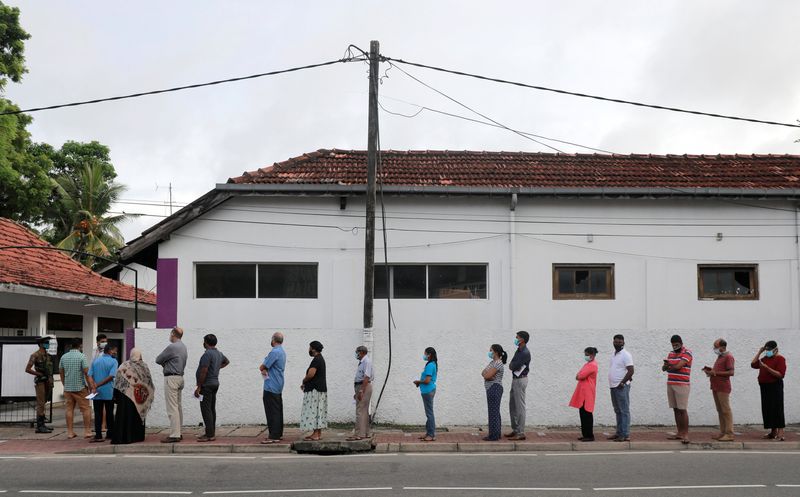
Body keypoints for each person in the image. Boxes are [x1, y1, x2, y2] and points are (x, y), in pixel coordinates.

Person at [111, 348, 155, 445]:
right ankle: (136, 437)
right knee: (136, 416)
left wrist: (116, 396)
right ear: (140, 355)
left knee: (124, 416)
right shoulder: (144, 367)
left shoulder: (124, 366)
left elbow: (117, 383)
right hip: (138, 397)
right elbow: (148, 383)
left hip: (124, 397)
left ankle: (122, 437)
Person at [155, 326, 188, 443]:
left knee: (172, 408)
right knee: (178, 407)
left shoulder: (172, 347)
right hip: (180, 377)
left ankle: (175, 434)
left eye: (171, 333)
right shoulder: (183, 346)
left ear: (173, 334)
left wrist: (165, 363)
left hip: (171, 378)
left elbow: (158, 359)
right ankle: (179, 431)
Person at [194, 333, 229, 442]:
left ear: (206, 343)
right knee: (211, 409)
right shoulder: (219, 353)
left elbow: (204, 371)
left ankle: (209, 434)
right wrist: (217, 368)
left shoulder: (207, 354)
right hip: (215, 383)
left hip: (207, 385)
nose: (203, 343)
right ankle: (211, 432)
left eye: (204, 341)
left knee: (206, 410)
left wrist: (199, 387)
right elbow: (226, 361)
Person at [58, 339, 95, 439]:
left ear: (71, 346)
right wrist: (90, 386)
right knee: (86, 409)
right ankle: (87, 431)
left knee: (69, 409)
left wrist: (64, 384)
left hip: (68, 388)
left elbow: (61, 372)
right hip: (80, 387)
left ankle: (70, 432)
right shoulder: (82, 356)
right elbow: (86, 373)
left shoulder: (63, 357)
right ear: (80, 346)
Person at [750, 340, 786, 441]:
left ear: (776, 350)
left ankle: (781, 432)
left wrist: (767, 368)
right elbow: (753, 364)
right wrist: (759, 352)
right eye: (766, 350)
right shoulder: (765, 358)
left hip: (775, 386)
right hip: (764, 387)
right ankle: (773, 432)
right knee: (768, 409)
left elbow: (780, 374)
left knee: (777, 408)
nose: (767, 352)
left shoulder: (780, 359)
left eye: (769, 350)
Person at [662, 335, 692, 443]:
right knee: (675, 409)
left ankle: (685, 434)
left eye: (676, 344)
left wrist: (670, 365)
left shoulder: (687, 353)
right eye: (673, 344)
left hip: (682, 385)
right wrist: (665, 366)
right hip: (671, 383)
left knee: (682, 410)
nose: (674, 346)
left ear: (681, 343)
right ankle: (679, 433)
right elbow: (664, 368)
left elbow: (679, 366)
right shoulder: (671, 353)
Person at [703, 338, 735, 441]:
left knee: (726, 410)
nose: (714, 349)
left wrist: (715, 373)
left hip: (723, 387)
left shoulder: (729, 357)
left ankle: (729, 433)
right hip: (716, 386)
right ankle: (723, 432)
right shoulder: (720, 357)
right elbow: (718, 370)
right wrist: (711, 371)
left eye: (716, 347)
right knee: (720, 410)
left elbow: (731, 372)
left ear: (722, 347)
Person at [259, 332, 286, 444]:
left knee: (272, 411)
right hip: (278, 384)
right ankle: (278, 433)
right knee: (278, 410)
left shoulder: (274, 352)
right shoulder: (282, 351)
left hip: (271, 385)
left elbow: (263, 366)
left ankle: (273, 435)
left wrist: (263, 367)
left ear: (273, 340)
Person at [88, 344, 118, 442]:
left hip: (97, 392)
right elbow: (111, 376)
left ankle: (98, 435)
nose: (116, 353)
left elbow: (89, 375)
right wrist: (97, 385)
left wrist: (93, 386)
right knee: (109, 413)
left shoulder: (95, 361)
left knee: (98, 414)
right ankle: (110, 434)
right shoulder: (114, 361)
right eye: (114, 351)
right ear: (109, 351)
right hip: (108, 391)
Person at [505, 330, 531, 441]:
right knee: (512, 406)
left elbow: (513, 366)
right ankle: (515, 429)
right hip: (515, 379)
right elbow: (511, 364)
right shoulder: (519, 350)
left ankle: (520, 432)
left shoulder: (525, 352)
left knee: (520, 407)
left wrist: (512, 365)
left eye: (517, 337)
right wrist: (512, 365)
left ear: (522, 339)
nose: (516, 338)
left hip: (520, 380)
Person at [25, 336, 54, 433]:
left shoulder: (48, 355)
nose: (48, 344)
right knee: (40, 403)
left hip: (48, 382)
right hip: (41, 381)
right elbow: (27, 369)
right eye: (46, 342)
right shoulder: (35, 355)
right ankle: (40, 426)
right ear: (41, 344)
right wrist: (38, 374)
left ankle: (43, 424)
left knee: (44, 402)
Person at [608, 334, 634, 442]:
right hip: (613, 386)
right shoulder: (614, 355)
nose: (617, 344)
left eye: (619, 342)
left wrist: (623, 383)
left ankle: (625, 434)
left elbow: (631, 370)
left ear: (623, 343)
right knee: (617, 410)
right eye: (615, 342)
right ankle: (619, 433)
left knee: (624, 411)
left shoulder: (626, 355)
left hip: (621, 387)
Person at [570, 347, 599, 441]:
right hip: (583, 392)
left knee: (587, 413)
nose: (585, 356)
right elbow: (578, 375)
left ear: (592, 355)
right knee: (582, 413)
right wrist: (579, 375)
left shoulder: (592, 365)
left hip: (587, 392)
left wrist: (579, 376)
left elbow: (581, 375)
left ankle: (589, 435)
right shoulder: (588, 364)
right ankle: (585, 434)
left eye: (587, 355)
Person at [300, 340, 327, 441]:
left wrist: (304, 380)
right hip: (320, 389)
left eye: (309, 347)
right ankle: (317, 433)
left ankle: (315, 434)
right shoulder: (320, 359)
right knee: (318, 411)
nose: (309, 350)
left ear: (313, 349)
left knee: (314, 411)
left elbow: (311, 374)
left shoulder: (316, 360)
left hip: (315, 390)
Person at [347, 345, 374, 441]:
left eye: (357, 352)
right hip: (362, 386)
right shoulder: (362, 362)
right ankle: (366, 433)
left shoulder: (366, 361)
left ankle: (358, 434)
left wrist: (361, 390)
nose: (356, 354)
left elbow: (366, 377)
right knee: (364, 411)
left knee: (360, 410)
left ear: (361, 352)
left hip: (364, 386)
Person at [481, 344, 507, 441]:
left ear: (496, 352)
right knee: (493, 412)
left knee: (493, 413)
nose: (489, 352)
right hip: (491, 388)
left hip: (494, 388)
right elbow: (483, 372)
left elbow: (487, 375)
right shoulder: (492, 362)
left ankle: (494, 435)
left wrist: (487, 375)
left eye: (491, 350)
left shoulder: (498, 363)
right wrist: (486, 375)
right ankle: (495, 433)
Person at [414, 347, 438, 442]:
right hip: (427, 390)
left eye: (425, 353)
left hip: (428, 391)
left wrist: (418, 381)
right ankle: (428, 433)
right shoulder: (432, 364)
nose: (424, 355)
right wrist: (420, 383)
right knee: (428, 413)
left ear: (429, 354)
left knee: (429, 413)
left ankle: (431, 435)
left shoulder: (430, 365)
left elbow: (427, 380)